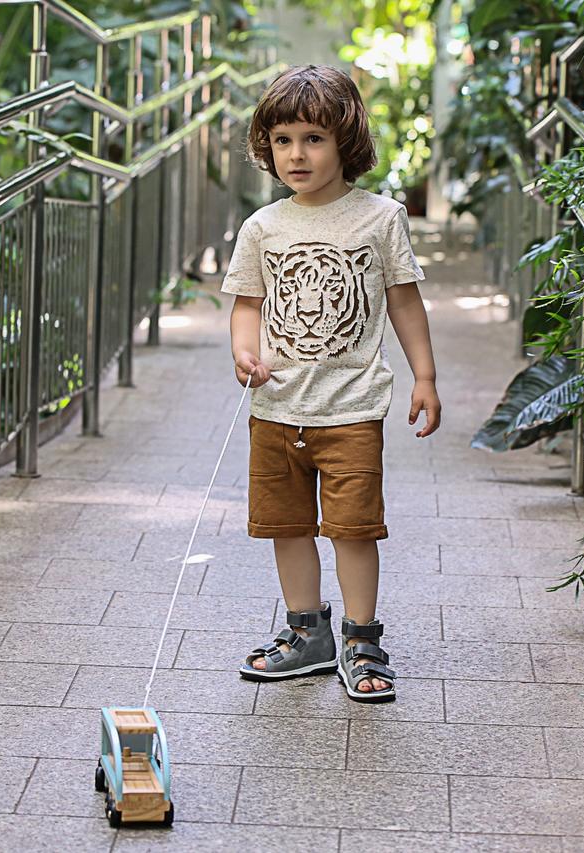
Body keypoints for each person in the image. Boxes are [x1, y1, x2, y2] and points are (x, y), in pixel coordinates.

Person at [221, 64, 441, 703]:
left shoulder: (381, 218)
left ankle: (361, 639)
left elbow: (404, 300)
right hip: (276, 407)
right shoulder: (262, 227)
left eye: (313, 139)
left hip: (351, 407)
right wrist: (245, 352)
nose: (297, 154)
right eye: (283, 140)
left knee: (353, 528)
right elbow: (246, 303)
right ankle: (307, 632)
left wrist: (424, 376)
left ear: (346, 141)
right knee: (286, 525)